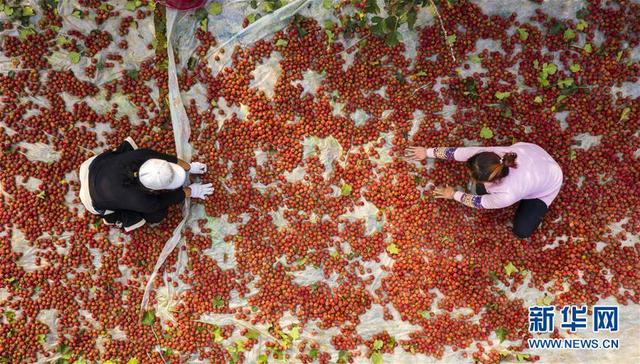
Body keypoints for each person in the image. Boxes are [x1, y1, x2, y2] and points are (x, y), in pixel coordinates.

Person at [406, 142, 563, 238]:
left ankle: (529, 197)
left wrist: (453, 194)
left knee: (521, 231)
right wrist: (426, 152)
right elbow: (455, 153)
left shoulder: (506, 194)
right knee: (479, 189)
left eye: (473, 176)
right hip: (534, 154)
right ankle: (523, 189)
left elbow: (478, 202)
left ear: (492, 180)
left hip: (548, 183)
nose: (469, 176)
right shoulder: (489, 156)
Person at [79, 137, 213, 232]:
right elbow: (162, 201)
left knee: (124, 155)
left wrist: (189, 167)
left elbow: (167, 159)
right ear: (151, 189)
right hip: (92, 198)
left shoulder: (141, 155)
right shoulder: (141, 200)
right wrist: (191, 191)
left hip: (94, 168)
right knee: (156, 215)